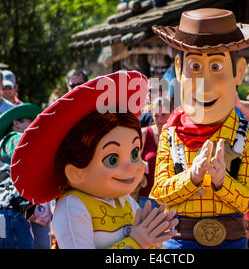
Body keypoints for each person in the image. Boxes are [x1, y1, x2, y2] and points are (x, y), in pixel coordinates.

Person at [11, 71, 178, 249]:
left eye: (135, 154)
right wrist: (135, 243)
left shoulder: (124, 200)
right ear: (75, 172)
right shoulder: (73, 206)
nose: (132, 166)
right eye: (113, 159)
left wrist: (154, 242)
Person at [150, 8, 249, 249]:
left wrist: (221, 181)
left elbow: (248, 201)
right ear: (178, 69)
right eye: (194, 67)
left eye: (216, 67)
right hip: (180, 242)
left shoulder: (246, 135)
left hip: (231, 241)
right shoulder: (171, 133)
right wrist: (191, 177)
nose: (204, 85)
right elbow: (159, 192)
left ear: (239, 72)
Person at [0, 103, 41, 249]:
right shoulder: (15, 138)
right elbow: (24, 153)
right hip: (11, 215)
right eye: (30, 121)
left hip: (6, 216)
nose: (34, 124)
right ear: (16, 123)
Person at [137, 97, 171, 209]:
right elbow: (132, 161)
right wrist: (142, 179)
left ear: (171, 114)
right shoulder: (144, 134)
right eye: (156, 116)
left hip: (172, 198)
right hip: (147, 199)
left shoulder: (177, 135)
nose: (160, 120)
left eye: (164, 115)